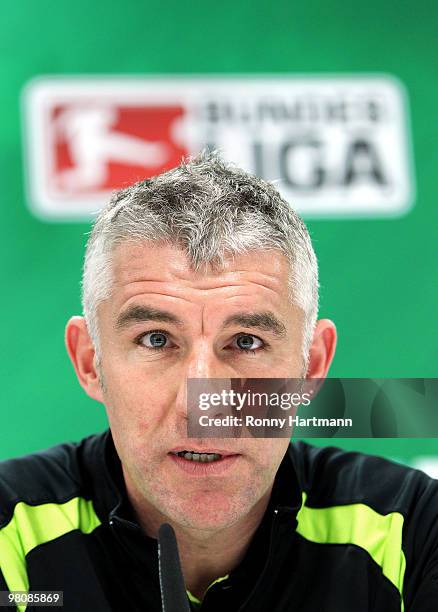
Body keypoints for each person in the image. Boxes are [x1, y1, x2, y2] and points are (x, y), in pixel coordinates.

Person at [0, 151, 437, 612]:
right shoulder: (10, 530)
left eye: (246, 342)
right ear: (91, 362)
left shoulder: (412, 528)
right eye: (156, 339)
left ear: (311, 367)